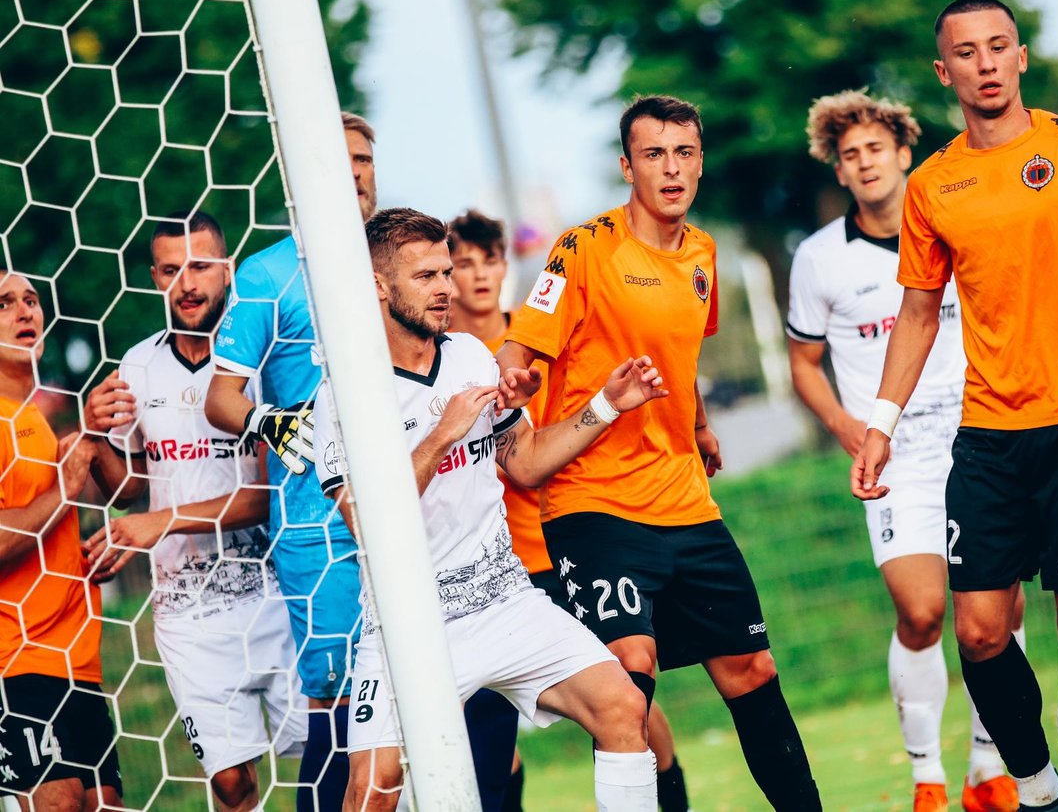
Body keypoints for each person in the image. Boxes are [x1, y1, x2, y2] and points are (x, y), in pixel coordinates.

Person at [854, 0, 1058, 812]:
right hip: (989, 435)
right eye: (967, 51)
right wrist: (880, 425)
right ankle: (1037, 787)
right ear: (943, 70)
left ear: (1020, 56)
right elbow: (919, 313)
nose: (985, 62)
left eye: (998, 46)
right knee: (981, 630)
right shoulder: (932, 183)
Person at [496, 95, 822, 811]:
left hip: (684, 501)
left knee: (752, 669)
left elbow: (680, 356)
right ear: (627, 166)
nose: (671, 169)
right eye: (654, 155)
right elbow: (519, 347)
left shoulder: (703, 253)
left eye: (684, 153)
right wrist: (513, 382)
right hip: (594, 500)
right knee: (629, 668)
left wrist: (699, 425)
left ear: (700, 164)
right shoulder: (583, 248)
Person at [315, 207, 667, 811]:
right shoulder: (342, 395)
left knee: (623, 706)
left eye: (445, 273)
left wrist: (607, 405)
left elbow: (524, 462)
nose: (445, 289)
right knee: (371, 793)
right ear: (379, 285)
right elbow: (365, 526)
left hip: (505, 600)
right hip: (408, 623)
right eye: (425, 276)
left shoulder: (471, 356)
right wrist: (441, 436)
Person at [788, 90, 1023, 812]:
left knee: (1001, 612)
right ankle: (928, 777)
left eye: (875, 149)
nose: (865, 163)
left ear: (903, 153)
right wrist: (846, 426)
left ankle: (989, 767)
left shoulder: (952, 225)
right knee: (922, 611)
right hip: (897, 461)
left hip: (979, 441)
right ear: (838, 170)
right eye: (849, 155)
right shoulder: (819, 259)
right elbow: (803, 364)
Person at [447, 210, 691, 812]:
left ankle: (673, 798)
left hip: (563, 544)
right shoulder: (446, 359)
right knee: (489, 730)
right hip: (494, 568)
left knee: (628, 697)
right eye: (463, 265)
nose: (479, 276)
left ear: (505, 266)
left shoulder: (538, 338)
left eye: (490, 261)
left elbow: (567, 427)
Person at [82, 212, 308, 812]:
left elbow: (273, 494)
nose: (187, 283)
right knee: (231, 783)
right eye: (171, 269)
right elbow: (130, 489)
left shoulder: (262, 364)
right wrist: (94, 432)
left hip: (279, 595)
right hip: (185, 611)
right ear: (153, 278)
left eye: (200, 266)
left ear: (228, 270)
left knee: (323, 758)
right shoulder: (138, 365)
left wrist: (161, 521)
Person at [205, 111, 376, 812]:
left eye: (364, 159)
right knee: (338, 709)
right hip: (317, 524)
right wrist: (265, 420)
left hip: (413, 508)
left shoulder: (400, 258)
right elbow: (220, 397)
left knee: (441, 690)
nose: (355, 172)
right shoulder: (267, 274)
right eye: (339, 158)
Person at [0, 271, 122, 811]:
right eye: (5, 303)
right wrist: (64, 490)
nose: (25, 311)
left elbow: (122, 496)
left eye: (31, 299)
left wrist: (93, 552)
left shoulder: (36, 420)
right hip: (16, 661)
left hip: (77, 660)